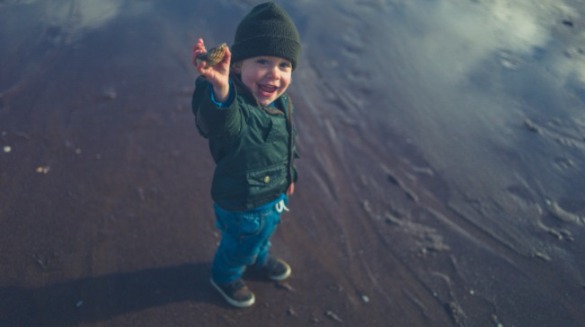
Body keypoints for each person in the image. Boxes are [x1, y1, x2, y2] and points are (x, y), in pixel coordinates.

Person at [191, 2, 301, 308]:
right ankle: (224, 276)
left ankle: (258, 259)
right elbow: (220, 125)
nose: (274, 74)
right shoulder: (233, 107)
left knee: (263, 235)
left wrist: (289, 175)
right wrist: (221, 88)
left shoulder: (282, 104)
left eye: (284, 65)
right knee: (239, 245)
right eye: (262, 61)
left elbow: (288, 143)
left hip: (274, 194)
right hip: (241, 204)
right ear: (238, 65)